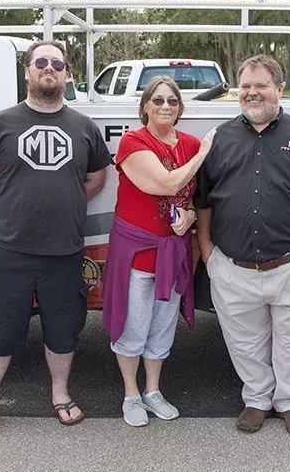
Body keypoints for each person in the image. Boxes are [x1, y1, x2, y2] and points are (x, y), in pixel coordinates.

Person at [0, 41, 112, 447]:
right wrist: (11, 207)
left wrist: (68, 203)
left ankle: (59, 394)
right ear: (28, 71)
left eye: (57, 64)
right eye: (40, 62)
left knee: (64, 330)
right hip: (12, 250)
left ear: (67, 73)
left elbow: (97, 178)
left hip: (65, 251)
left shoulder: (84, 127)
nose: (49, 68)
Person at [194, 55, 290, 436]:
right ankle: (257, 400)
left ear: (279, 88)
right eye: (245, 86)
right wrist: (209, 252)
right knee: (245, 341)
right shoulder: (220, 139)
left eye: (261, 84)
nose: (252, 92)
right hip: (233, 267)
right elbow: (203, 201)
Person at [102, 76, 216, 427]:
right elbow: (166, 183)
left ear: (180, 108)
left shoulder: (189, 143)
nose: (165, 106)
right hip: (138, 251)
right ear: (146, 106)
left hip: (175, 250)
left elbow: (193, 197)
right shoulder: (134, 142)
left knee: (163, 325)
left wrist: (193, 216)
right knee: (133, 324)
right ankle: (130, 393)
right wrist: (203, 155)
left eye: (173, 101)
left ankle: (152, 390)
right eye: (158, 100)